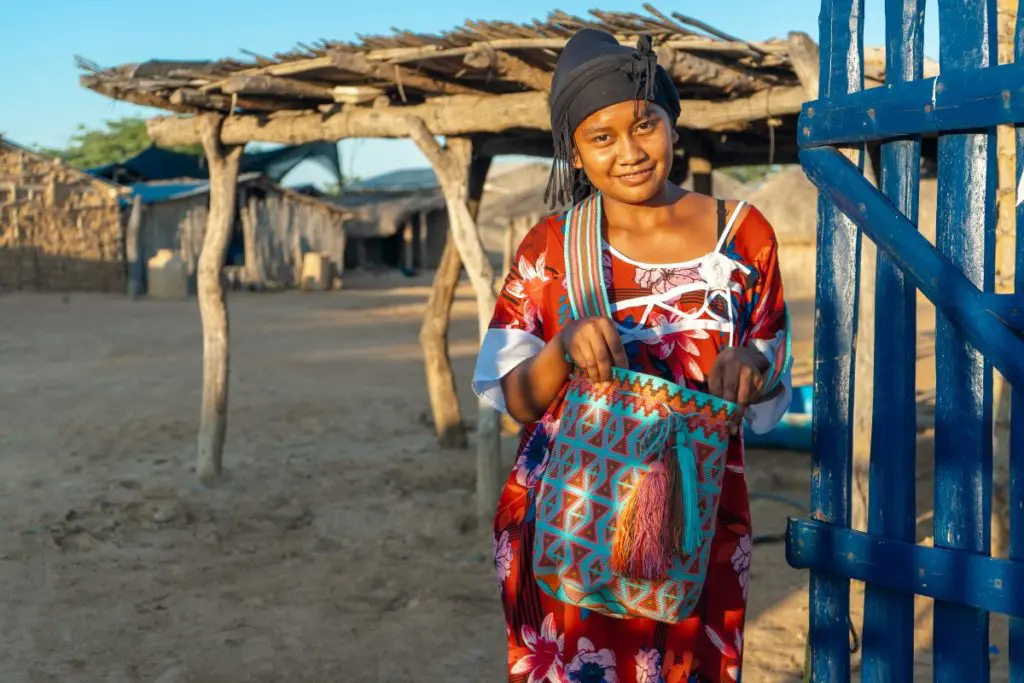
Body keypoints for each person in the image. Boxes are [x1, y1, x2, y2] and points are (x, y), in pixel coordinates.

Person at [472, 28, 792, 683]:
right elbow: (514, 399)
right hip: (568, 521)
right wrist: (562, 349)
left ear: (672, 123)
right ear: (575, 153)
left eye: (645, 124)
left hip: (694, 526)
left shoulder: (744, 237)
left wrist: (751, 371)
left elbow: (771, 372)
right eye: (602, 137)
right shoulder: (551, 247)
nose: (630, 152)